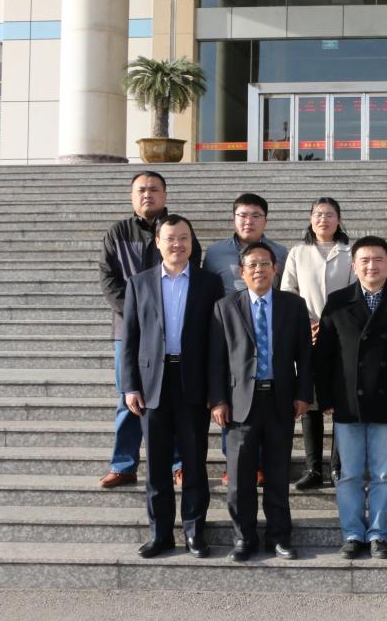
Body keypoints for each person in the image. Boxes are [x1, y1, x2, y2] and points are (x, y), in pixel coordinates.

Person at [119, 214, 223, 559]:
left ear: (192, 242)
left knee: (194, 463)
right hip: (153, 385)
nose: (177, 244)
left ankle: (194, 532)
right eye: (170, 238)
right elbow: (129, 338)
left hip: (193, 384)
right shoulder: (139, 283)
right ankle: (160, 534)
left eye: (183, 238)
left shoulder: (209, 283)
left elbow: (217, 342)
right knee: (157, 466)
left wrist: (215, 390)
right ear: (158, 243)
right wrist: (130, 386)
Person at [315, 236, 387, 560]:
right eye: (364, 260)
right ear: (354, 265)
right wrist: (325, 396)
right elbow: (324, 355)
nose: (371, 266)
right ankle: (352, 533)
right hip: (348, 401)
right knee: (348, 474)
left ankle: (378, 533)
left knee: (384, 474)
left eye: (378, 260)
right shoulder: (338, 301)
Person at [208, 242, 313, 562]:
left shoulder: (293, 305)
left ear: (275, 268)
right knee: (240, 479)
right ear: (242, 272)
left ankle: (279, 537)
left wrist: (303, 394)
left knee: (278, 475)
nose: (259, 270)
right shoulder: (225, 306)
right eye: (252, 265)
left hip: (280, 400)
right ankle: (244, 538)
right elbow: (216, 360)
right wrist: (218, 400)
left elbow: (305, 355)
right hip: (240, 404)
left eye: (265, 264)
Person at [98, 171, 201, 489]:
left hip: (174, 331)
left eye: (154, 189)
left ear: (165, 195)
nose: (147, 194)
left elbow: (191, 272)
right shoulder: (118, 233)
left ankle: (179, 464)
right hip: (128, 332)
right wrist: (137, 316)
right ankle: (123, 465)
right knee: (129, 396)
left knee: (172, 397)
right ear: (132, 196)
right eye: (141, 190)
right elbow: (108, 280)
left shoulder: (178, 230)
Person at [203, 192, 288, 488]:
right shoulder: (215, 253)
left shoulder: (280, 252)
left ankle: (261, 464)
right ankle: (235, 463)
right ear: (234, 218)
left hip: (266, 333)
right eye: (242, 215)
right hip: (230, 335)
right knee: (234, 398)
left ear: (265, 220)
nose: (248, 221)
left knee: (264, 401)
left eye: (255, 216)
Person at [281, 197, 356, 490]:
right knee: (310, 402)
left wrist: (334, 324)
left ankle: (338, 466)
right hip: (308, 335)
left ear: (339, 219)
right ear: (310, 219)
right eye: (318, 214)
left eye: (329, 214)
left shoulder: (350, 252)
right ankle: (313, 468)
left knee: (340, 400)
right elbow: (288, 290)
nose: (323, 219)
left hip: (342, 337)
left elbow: (356, 291)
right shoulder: (298, 252)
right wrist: (307, 322)